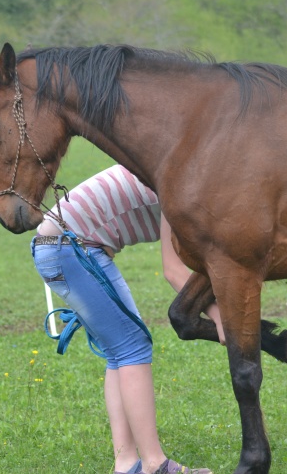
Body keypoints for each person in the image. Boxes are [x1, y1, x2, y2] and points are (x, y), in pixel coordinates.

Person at [30, 164, 216, 474]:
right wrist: (221, 319)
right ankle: (155, 464)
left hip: (58, 248)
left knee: (121, 352)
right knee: (132, 348)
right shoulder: (174, 175)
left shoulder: (167, 164)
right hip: (72, 249)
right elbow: (174, 272)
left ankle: (127, 463)